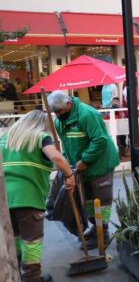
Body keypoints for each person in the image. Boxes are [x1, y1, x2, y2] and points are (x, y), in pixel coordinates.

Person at [2, 110, 75, 282]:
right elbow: (57, 158)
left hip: (4, 198)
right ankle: (32, 280)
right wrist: (69, 175)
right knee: (32, 240)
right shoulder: (40, 137)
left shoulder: (5, 138)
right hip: (29, 197)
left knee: (15, 238)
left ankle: (16, 276)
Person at [47, 91, 120, 249]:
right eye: (55, 112)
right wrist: (69, 164)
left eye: (60, 111)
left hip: (100, 163)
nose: (58, 115)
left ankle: (103, 232)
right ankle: (95, 228)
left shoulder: (87, 114)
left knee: (101, 201)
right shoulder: (60, 122)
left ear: (69, 104)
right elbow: (66, 145)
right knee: (87, 200)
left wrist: (85, 160)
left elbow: (100, 140)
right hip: (81, 167)